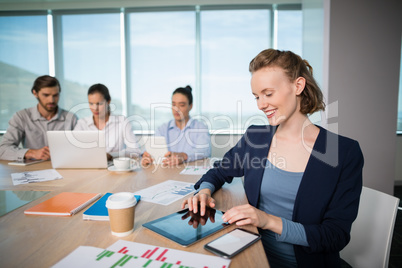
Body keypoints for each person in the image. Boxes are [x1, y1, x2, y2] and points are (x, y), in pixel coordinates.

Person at [181, 49, 364, 268]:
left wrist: (267, 220)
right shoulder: (256, 137)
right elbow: (220, 170)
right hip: (252, 257)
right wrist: (204, 191)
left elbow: (335, 235)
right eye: (257, 97)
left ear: (298, 86)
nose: (260, 105)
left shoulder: (343, 152)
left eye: (268, 94)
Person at [0, 75, 77, 161]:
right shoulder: (22, 117)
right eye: (46, 95)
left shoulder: (71, 118)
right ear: (35, 93)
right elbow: (2, 149)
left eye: (55, 95)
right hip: (32, 170)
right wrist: (31, 153)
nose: (51, 100)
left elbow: (80, 150)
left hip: (63, 167)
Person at [142, 85, 211, 166]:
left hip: (189, 174)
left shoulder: (200, 127)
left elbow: (205, 151)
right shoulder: (163, 128)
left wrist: (184, 155)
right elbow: (150, 149)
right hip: (166, 172)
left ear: (190, 106)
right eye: (173, 104)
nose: (176, 109)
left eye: (181, 105)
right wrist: (147, 156)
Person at [74, 83, 141, 160]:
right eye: (91, 103)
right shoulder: (82, 123)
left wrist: (112, 155)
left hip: (115, 167)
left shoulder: (122, 122)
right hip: (89, 167)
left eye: (99, 104)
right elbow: (73, 150)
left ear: (108, 101)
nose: (95, 108)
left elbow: (135, 151)